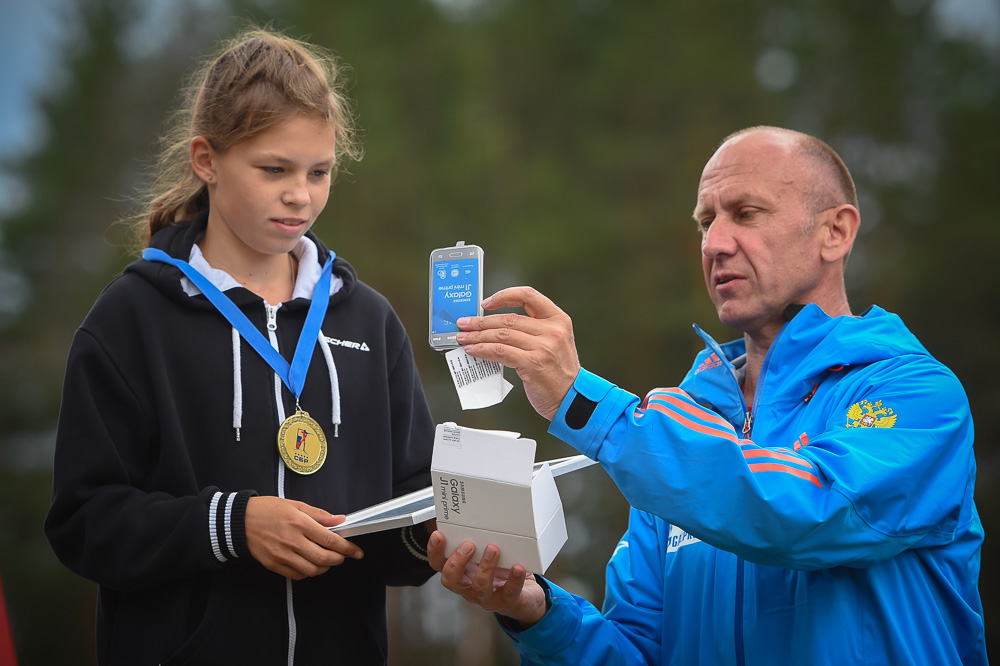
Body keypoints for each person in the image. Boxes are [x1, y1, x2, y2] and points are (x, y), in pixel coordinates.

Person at [427, 126, 987, 664]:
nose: (716, 243)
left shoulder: (915, 393)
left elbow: (807, 512)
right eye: (705, 222)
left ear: (835, 232)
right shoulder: (675, 433)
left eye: (746, 214)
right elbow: (637, 651)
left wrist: (587, 404)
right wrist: (538, 613)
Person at [44, 29, 436, 665]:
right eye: (274, 169)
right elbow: (85, 524)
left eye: (319, 172)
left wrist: (438, 538)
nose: (300, 195)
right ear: (206, 160)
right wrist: (231, 525)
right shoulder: (132, 319)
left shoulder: (370, 322)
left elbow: (412, 501)